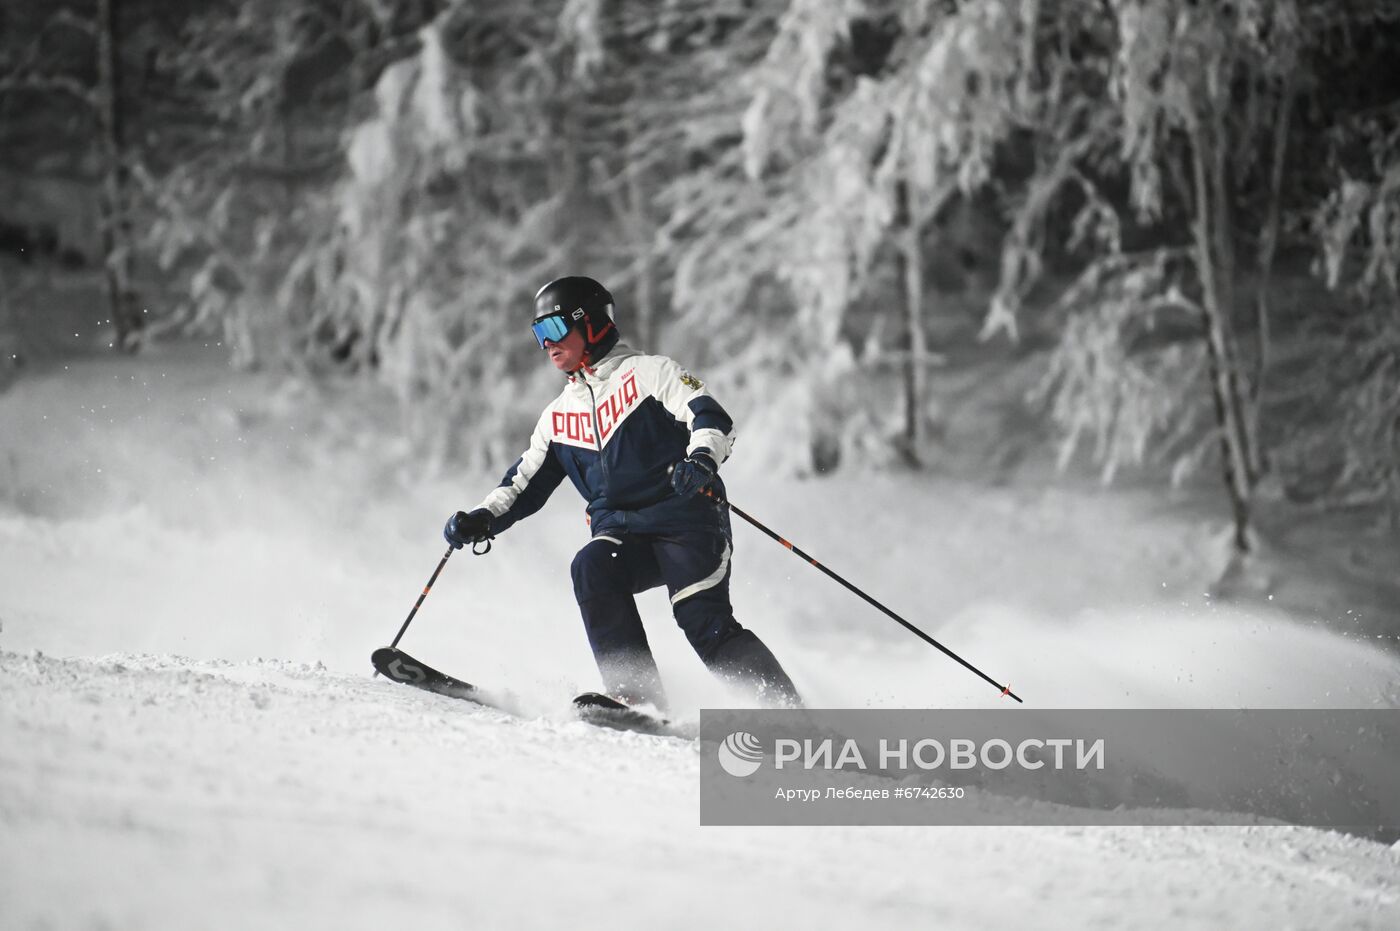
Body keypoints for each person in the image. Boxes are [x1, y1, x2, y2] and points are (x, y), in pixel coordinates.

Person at [443, 276, 801, 711]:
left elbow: (710, 416)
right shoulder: (558, 416)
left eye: (554, 330)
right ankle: (637, 698)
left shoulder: (650, 373)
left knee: (701, 619)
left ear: (591, 326)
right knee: (592, 565)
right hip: (624, 534)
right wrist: (483, 517)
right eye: (539, 335)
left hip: (685, 522)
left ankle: (789, 715)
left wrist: (702, 459)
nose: (547, 346)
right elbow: (520, 484)